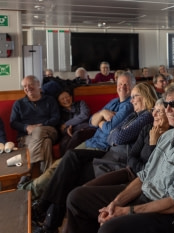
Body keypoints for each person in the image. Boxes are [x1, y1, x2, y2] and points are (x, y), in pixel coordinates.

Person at [65, 83, 174, 233]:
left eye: (173, 104)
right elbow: (144, 176)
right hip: (146, 194)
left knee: (110, 229)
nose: (167, 109)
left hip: (170, 214)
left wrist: (125, 211)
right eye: (166, 104)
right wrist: (115, 203)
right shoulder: (168, 136)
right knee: (76, 198)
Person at [31, 82, 157, 233]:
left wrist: (111, 132)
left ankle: (47, 220)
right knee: (71, 157)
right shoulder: (133, 115)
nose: (131, 101)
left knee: (69, 177)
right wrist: (111, 131)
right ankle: (45, 214)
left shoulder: (146, 116)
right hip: (108, 154)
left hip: (117, 161)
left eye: (134, 96)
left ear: (145, 96)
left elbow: (118, 137)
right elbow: (109, 132)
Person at [18, 72, 136, 203]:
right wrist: (103, 113)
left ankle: (28, 191)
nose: (122, 87)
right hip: (92, 141)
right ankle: (32, 191)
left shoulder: (129, 105)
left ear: (133, 86)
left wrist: (100, 121)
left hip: (102, 148)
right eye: (120, 84)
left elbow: (109, 129)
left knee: (60, 166)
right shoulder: (114, 101)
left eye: (126, 84)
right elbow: (92, 120)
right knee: (57, 164)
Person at [85, 99, 170, 187]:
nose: (154, 114)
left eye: (159, 111)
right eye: (153, 110)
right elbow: (131, 156)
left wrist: (152, 145)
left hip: (139, 180)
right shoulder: (147, 128)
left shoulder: (170, 136)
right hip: (129, 171)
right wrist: (137, 166)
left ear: (169, 115)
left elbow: (150, 170)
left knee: (80, 192)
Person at [10, 75, 60, 172]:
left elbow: (56, 118)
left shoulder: (50, 100)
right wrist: (26, 127)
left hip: (48, 130)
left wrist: (41, 125)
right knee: (46, 143)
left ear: (38, 84)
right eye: (25, 86)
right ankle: (45, 180)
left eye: (31, 84)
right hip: (26, 136)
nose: (27, 88)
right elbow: (13, 123)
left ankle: (27, 170)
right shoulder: (19, 103)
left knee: (38, 131)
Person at [56, 89, 95, 156]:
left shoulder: (81, 103)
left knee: (77, 135)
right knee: (64, 143)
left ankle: (66, 159)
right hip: (70, 132)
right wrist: (67, 129)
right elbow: (62, 128)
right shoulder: (60, 113)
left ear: (71, 97)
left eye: (67, 97)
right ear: (59, 102)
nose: (65, 100)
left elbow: (84, 115)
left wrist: (67, 124)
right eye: (62, 99)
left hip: (87, 128)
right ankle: (65, 160)